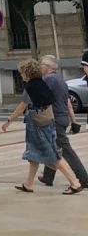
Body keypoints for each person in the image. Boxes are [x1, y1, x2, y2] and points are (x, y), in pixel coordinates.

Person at [2, 57, 85, 194]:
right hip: (47, 122)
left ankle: (75, 183)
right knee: (34, 155)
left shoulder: (30, 87)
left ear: (27, 72)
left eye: (22, 72)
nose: (21, 75)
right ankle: (28, 184)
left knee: (54, 155)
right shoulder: (41, 83)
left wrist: (8, 121)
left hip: (38, 125)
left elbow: (22, 106)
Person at [38, 55, 88, 190]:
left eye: (41, 65)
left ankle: (84, 178)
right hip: (62, 118)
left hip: (54, 119)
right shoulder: (61, 81)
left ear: (47, 67)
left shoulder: (48, 80)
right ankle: (48, 176)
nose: (39, 67)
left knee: (65, 150)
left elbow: (44, 101)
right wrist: (74, 121)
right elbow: (68, 103)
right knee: (53, 147)